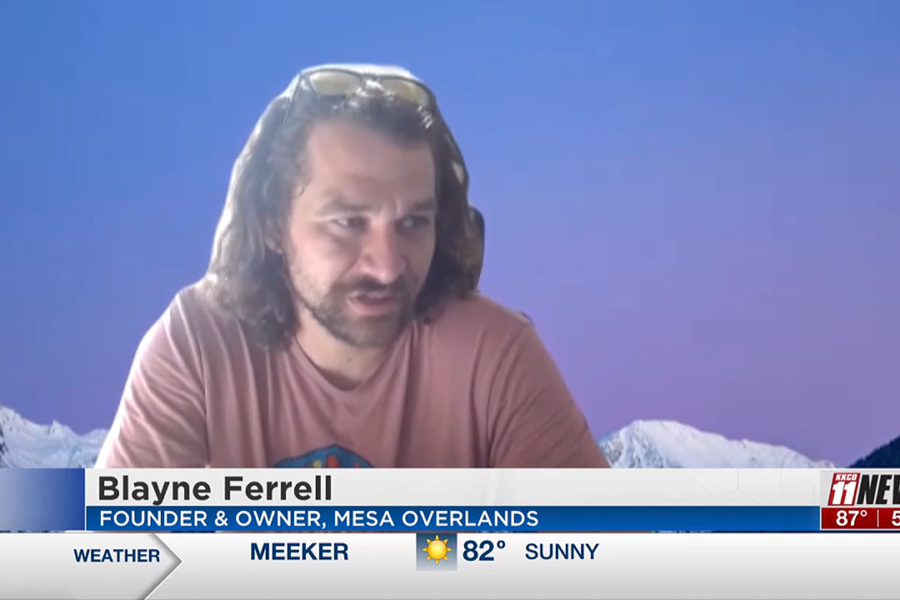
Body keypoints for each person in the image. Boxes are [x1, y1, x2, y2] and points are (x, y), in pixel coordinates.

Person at [96, 64, 610, 469]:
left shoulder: (494, 356)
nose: (387, 268)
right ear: (274, 221)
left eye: (413, 223)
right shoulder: (197, 346)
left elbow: (607, 559)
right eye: (347, 222)